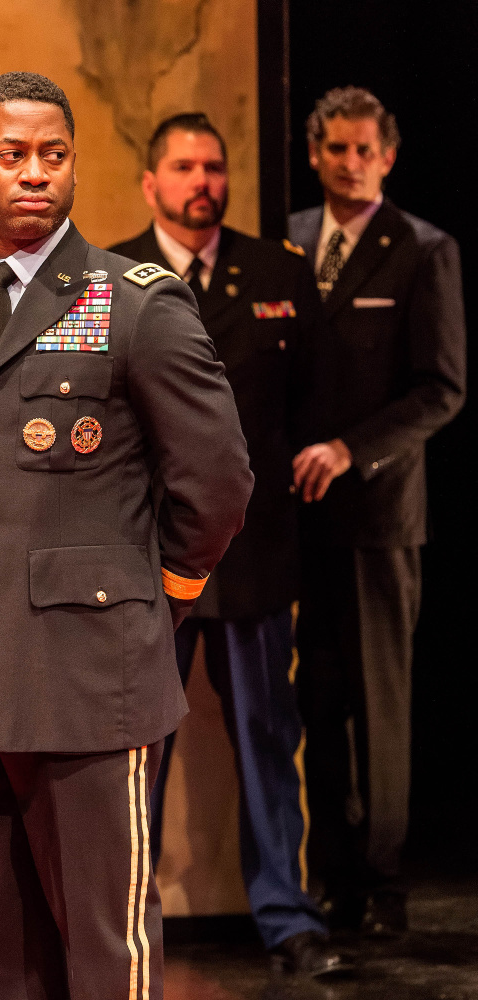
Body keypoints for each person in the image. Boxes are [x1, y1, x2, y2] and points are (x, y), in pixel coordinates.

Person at [0, 73, 253, 1000]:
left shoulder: (137, 303)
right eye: (13, 156)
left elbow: (216, 482)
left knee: (104, 949)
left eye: (55, 156)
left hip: (91, 671)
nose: (36, 175)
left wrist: (163, 598)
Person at [110, 114, 347, 977]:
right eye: (182, 167)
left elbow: (314, 407)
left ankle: (289, 917)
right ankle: (125, 916)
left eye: (213, 166)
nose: (201, 180)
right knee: (133, 748)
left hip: (253, 559)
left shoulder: (278, 274)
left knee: (267, 737)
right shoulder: (108, 277)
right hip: (141, 562)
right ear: (151, 183)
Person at [289, 87, 466, 936]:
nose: (351, 164)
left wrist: (351, 450)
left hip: (379, 516)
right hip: (300, 518)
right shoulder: (288, 243)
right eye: (337, 149)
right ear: (315, 154)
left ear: (388, 158)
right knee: (316, 700)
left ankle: (383, 881)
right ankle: (332, 878)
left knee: (378, 702)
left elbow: (443, 389)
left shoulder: (422, 250)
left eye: (366, 150)